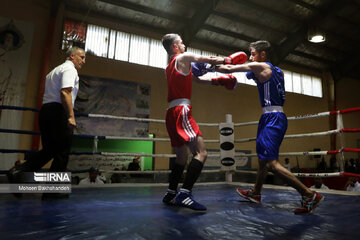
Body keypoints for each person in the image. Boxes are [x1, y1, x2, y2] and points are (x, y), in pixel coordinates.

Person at [216, 40, 324, 214]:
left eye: (252, 53)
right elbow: (250, 75)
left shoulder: (262, 67)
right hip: (270, 117)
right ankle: (256, 193)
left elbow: (228, 70)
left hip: (273, 117)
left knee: (272, 164)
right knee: (262, 160)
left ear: (263, 54)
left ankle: (308, 194)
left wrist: (210, 64)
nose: (250, 57)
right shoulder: (275, 70)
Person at [160, 33, 246, 211]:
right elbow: (206, 58)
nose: (184, 45)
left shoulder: (170, 66)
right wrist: (228, 60)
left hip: (170, 112)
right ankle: (184, 194)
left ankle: (170, 193)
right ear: (175, 46)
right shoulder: (184, 57)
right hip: (182, 110)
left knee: (182, 157)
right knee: (201, 152)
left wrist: (218, 82)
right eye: (182, 43)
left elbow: (198, 80)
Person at [7, 47, 86, 188]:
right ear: (72, 56)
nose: (83, 61)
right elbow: (65, 92)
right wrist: (71, 116)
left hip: (46, 111)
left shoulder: (53, 71)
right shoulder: (70, 69)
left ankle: (20, 173)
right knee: (62, 152)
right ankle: (53, 191)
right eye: (82, 57)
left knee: (50, 150)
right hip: (58, 111)